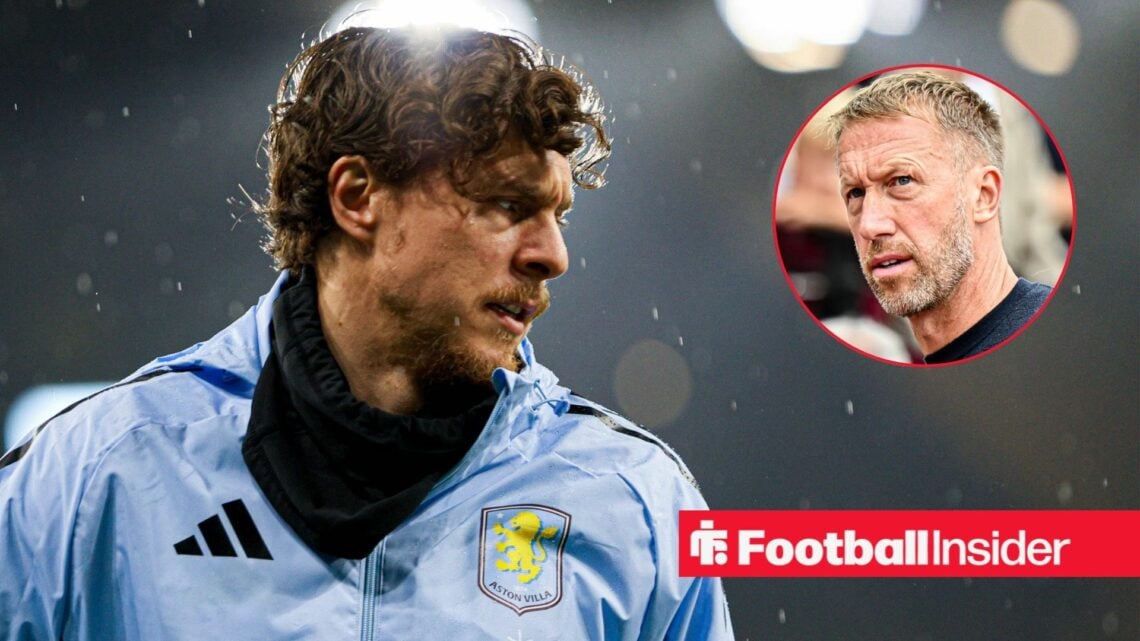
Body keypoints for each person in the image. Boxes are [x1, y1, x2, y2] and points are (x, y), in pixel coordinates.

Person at [0, 27, 733, 640]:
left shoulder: (634, 503)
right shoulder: (89, 480)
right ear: (357, 197)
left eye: (558, 215)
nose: (553, 255)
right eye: (507, 204)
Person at [828, 71, 1052, 364]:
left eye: (902, 181)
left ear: (983, 195)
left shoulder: (1061, 354)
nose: (870, 225)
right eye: (855, 193)